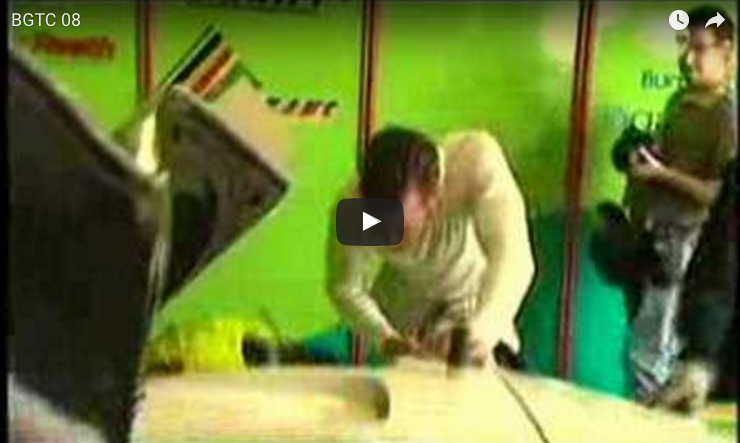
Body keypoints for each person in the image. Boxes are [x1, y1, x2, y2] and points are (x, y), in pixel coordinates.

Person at [326, 126, 536, 368]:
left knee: (480, 373)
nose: (388, 229)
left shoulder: (474, 164)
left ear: (432, 198)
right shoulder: (359, 211)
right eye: (382, 222)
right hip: (402, 306)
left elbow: (513, 258)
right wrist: (386, 338)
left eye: (400, 225)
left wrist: (480, 332)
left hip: (471, 292)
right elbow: (346, 288)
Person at [621, 5, 737, 404]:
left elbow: (719, 196)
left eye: (700, 48)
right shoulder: (679, 100)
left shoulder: (726, 117)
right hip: (656, 237)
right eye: (684, 46)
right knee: (646, 349)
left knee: (653, 357)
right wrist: (644, 157)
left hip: (690, 245)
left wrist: (661, 175)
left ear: (727, 53)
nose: (688, 59)